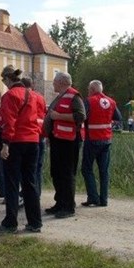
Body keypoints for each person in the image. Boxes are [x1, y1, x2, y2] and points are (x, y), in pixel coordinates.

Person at [0, 65, 43, 233]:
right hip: (33, 142)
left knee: (12, 183)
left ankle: (11, 222)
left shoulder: (9, 96)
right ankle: (35, 222)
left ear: (7, 79)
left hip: (16, 142)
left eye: (3, 80)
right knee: (30, 183)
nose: (4, 84)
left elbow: (10, 122)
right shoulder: (33, 95)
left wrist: (5, 144)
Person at [44, 72, 86, 219]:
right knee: (56, 173)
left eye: (54, 81)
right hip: (58, 139)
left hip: (69, 141)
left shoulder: (74, 96)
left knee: (67, 174)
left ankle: (68, 207)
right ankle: (60, 203)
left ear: (62, 82)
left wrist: (58, 116)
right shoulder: (60, 96)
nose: (53, 84)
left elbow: (81, 116)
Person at [81, 80, 121, 207]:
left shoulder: (89, 101)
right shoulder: (111, 101)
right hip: (106, 140)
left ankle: (93, 197)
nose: (88, 91)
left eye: (89, 89)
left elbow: (83, 116)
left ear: (92, 89)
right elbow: (118, 117)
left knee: (87, 169)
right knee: (104, 171)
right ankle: (104, 199)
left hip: (92, 139)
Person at [22, 77, 47, 198]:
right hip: (41, 134)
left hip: (29, 135)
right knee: (38, 167)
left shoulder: (25, 96)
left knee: (27, 168)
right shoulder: (41, 97)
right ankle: (37, 194)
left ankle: (28, 195)